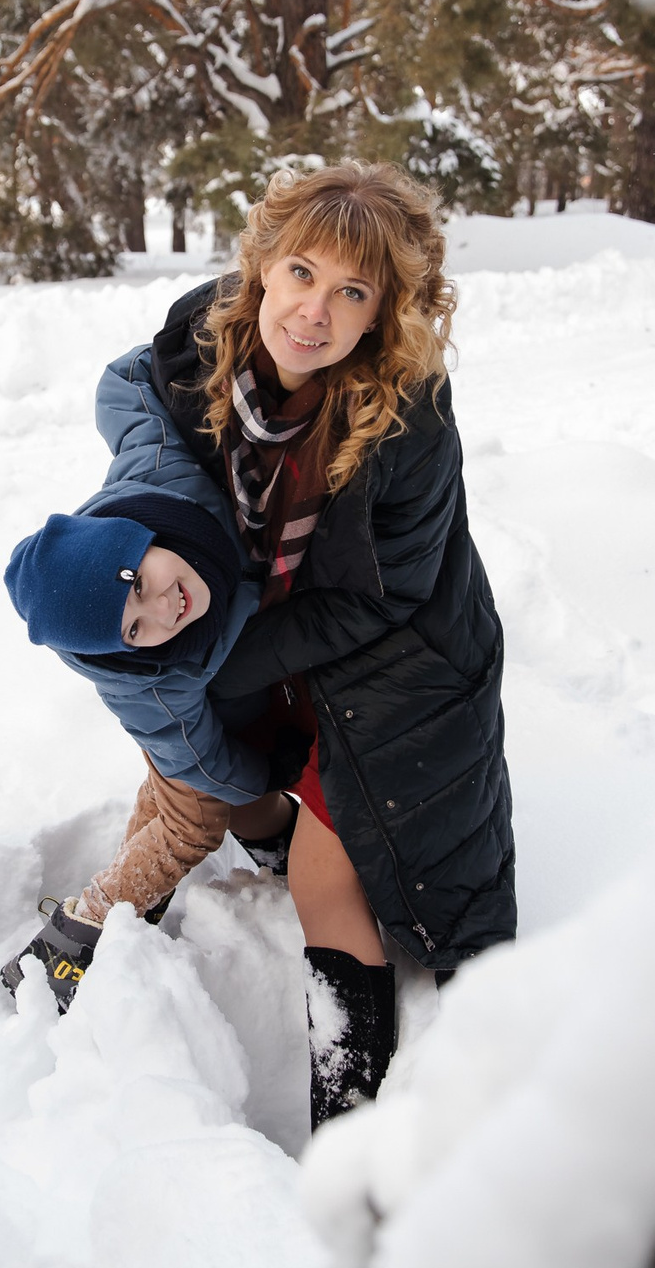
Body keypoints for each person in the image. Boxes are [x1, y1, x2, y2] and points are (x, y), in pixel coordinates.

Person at [148, 161, 516, 1127]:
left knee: (327, 871)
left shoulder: (409, 417)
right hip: (275, 638)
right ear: (263, 266)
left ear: (383, 312)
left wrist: (223, 652)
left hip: (396, 668)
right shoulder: (206, 339)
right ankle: (271, 831)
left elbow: (377, 599)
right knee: (223, 765)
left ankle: (349, 1127)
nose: (314, 310)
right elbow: (131, 405)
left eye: (351, 291)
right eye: (302, 272)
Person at [0, 424, 303, 1011]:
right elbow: (206, 767)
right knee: (189, 825)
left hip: (181, 735)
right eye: (135, 629)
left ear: (133, 538)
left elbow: (133, 396)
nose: (163, 608)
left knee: (166, 795)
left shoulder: (162, 479)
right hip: (187, 736)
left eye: (137, 582)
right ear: (124, 649)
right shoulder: (152, 685)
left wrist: (182, 358)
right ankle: (77, 940)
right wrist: (265, 773)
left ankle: (127, 909)